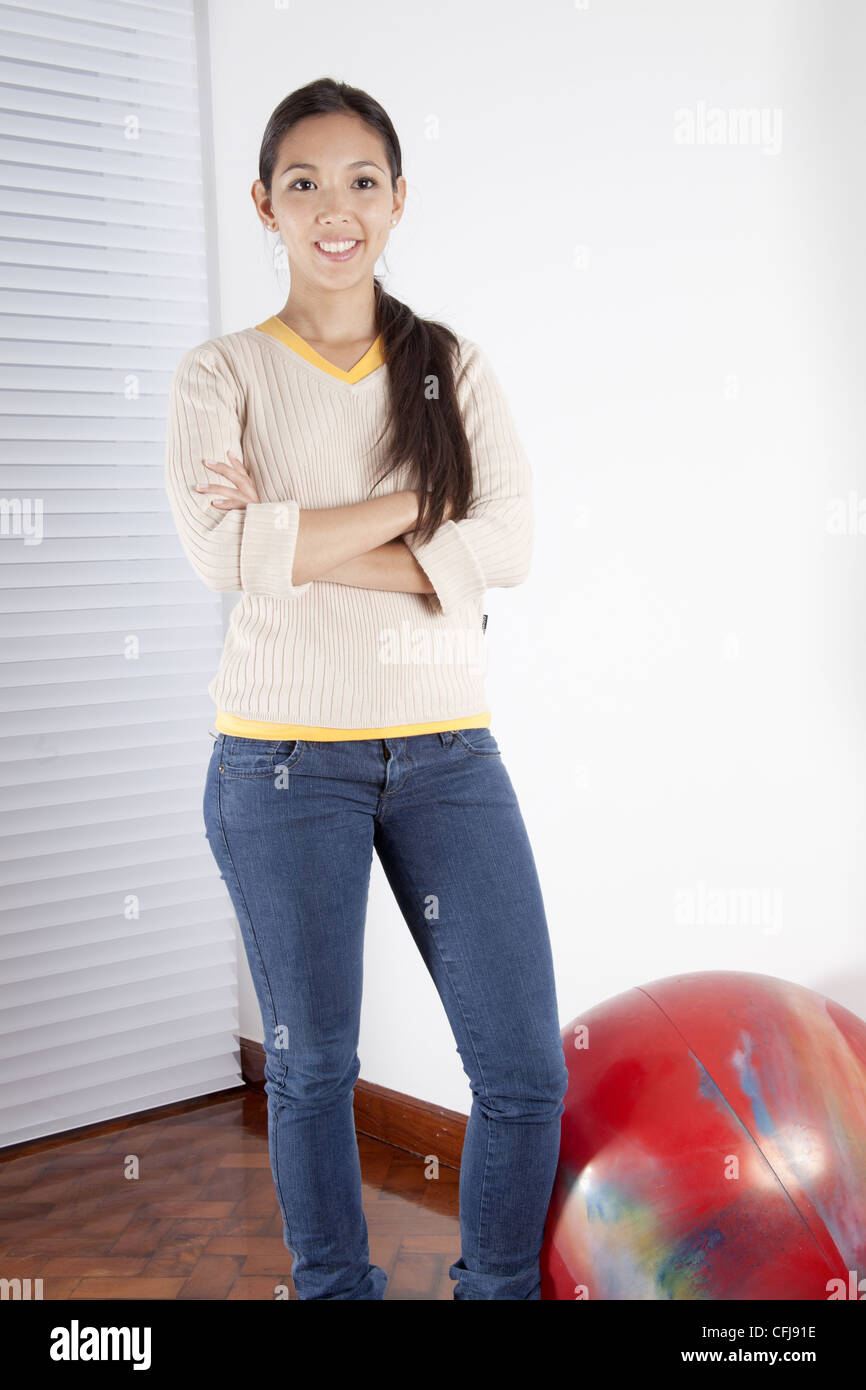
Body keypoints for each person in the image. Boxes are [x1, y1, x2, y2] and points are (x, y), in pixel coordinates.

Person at [164, 76, 568, 1301]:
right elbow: (221, 555)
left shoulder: (449, 365)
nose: (333, 208)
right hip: (282, 765)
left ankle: (493, 1291)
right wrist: (412, 509)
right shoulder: (218, 375)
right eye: (303, 182)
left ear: (396, 202)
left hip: (448, 753)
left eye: (360, 182)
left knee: (520, 1071)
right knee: (312, 1068)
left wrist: (304, 537)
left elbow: (508, 548)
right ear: (264, 205)